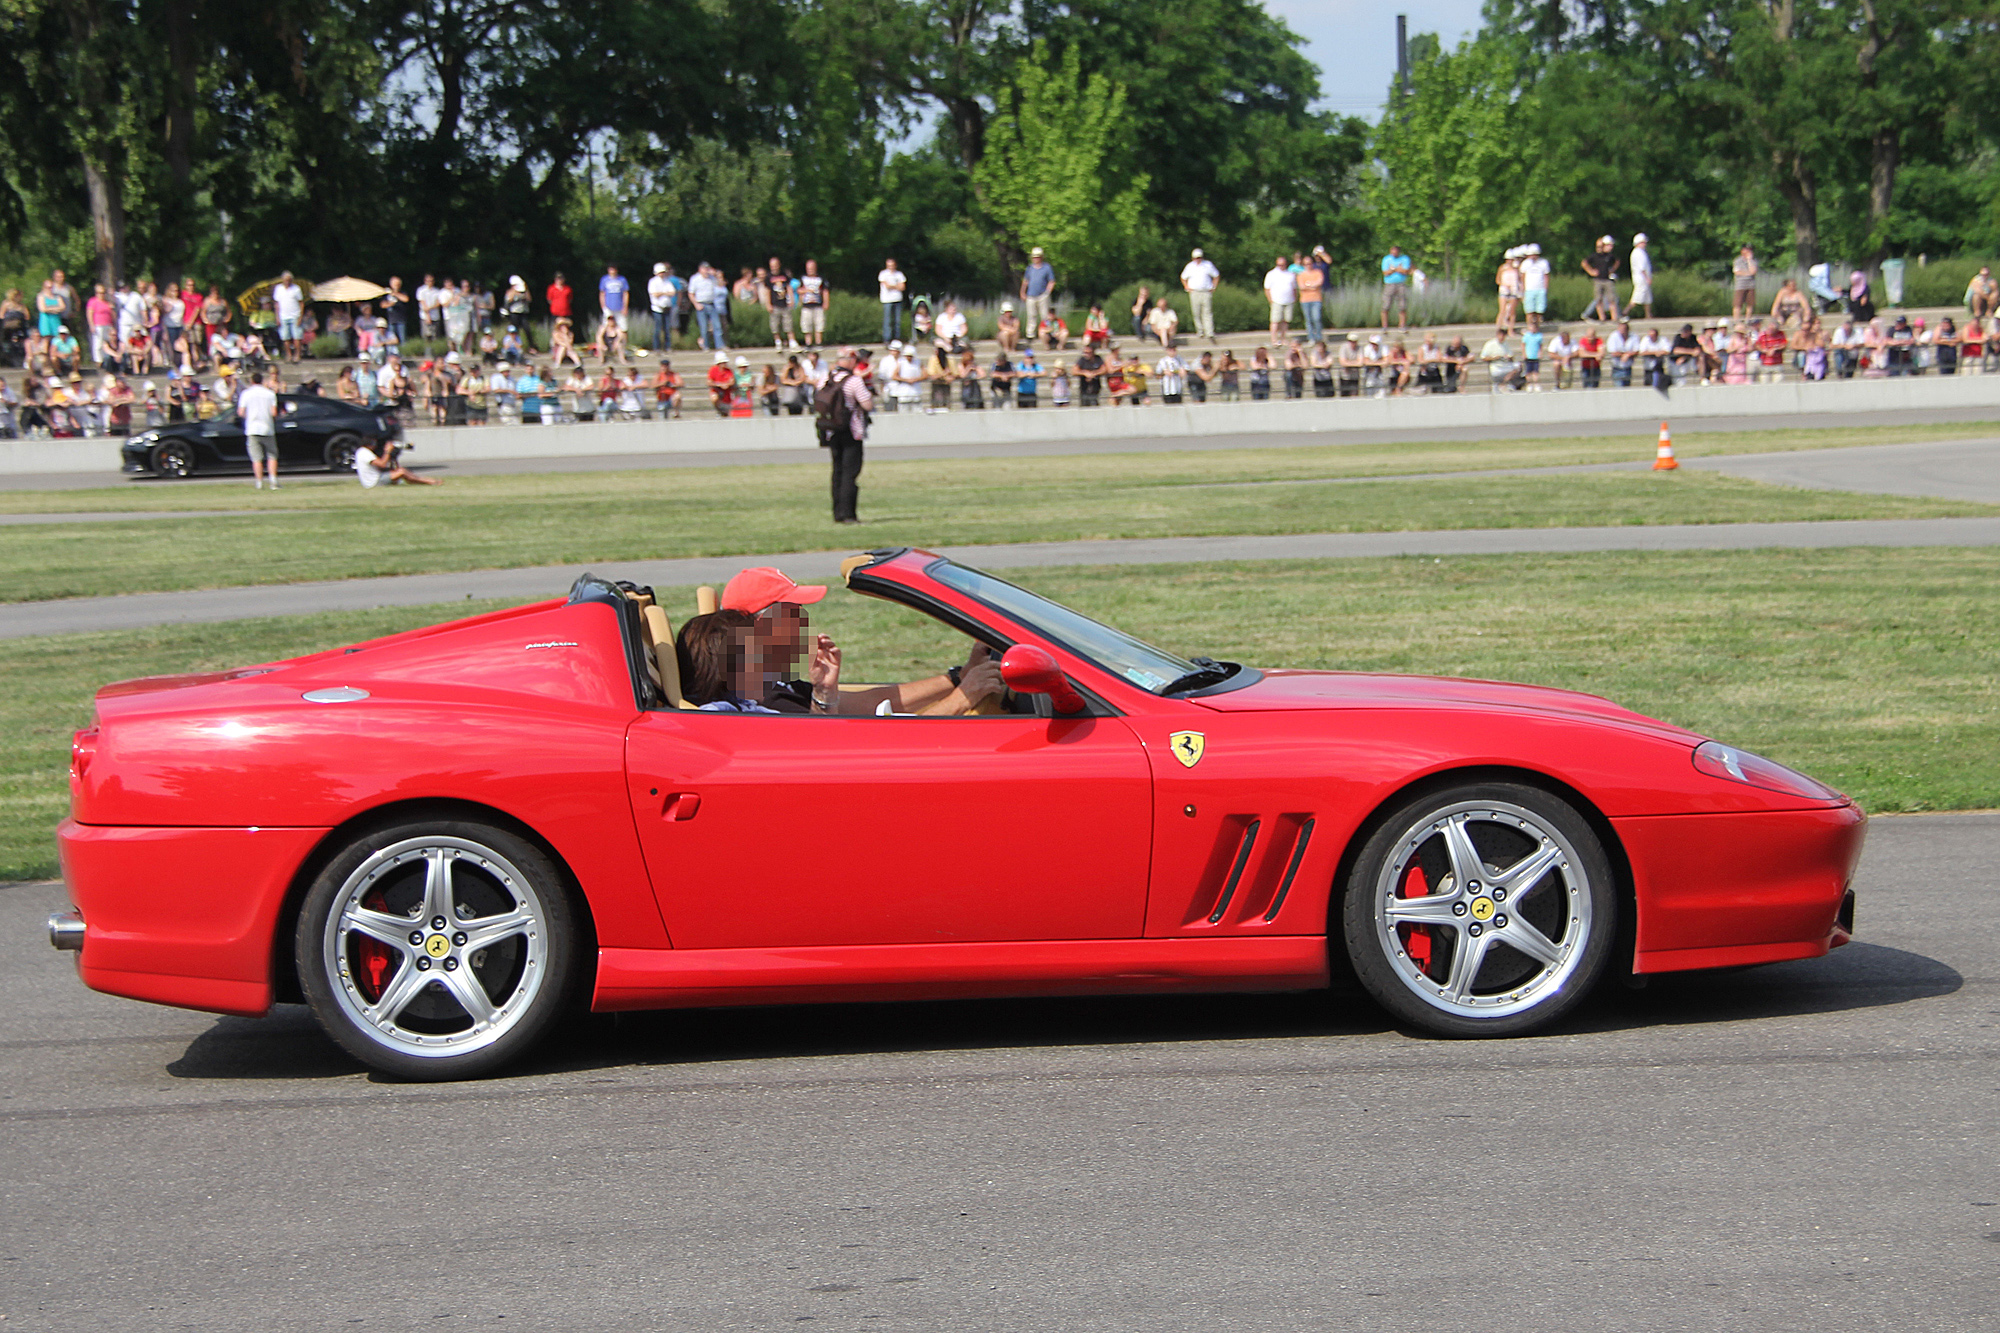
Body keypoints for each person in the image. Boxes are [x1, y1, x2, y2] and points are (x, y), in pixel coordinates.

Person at [716, 566, 1001, 716]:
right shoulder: (765, 701)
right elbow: (876, 749)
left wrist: (957, 678)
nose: (803, 624)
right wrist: (962, 699)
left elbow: (869, 704)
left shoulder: (770, 681)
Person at [816, 347, 874, 523]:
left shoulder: (824, 379)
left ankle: (837, 513)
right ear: (849, 361)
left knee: (837, 471)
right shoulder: (854, 381)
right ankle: (848, 513)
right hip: (851, 431)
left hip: (830, 430)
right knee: (850, 472)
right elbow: (867, 405)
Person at [235, 367, 280, 489]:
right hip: (267, 428)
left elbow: (240, 412)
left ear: (251, 381)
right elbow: (274, 412)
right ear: (262, 380)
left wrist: (249, 417)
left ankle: (259, 482)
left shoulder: (246, 394)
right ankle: (273, 481)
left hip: (252, 428)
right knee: (272, 456)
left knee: (256, 458)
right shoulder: (270, 394)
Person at [355, 437, 437, 487]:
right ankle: (428, 481)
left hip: (372, 480)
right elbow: (382, 464)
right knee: (402, 472)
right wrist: (387, 451)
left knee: (399, 472)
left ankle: (424, 481)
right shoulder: (365, 453)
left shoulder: (361, 452)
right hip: (374, 481)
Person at [1180, 248, 1220, 341]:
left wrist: (1214, 287)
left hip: (1206, 291)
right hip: (1194, 292)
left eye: (1199, 257)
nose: (1198, 259)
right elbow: (1183, 277)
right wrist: (1186, 287)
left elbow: (1216, 275)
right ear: (1193, 258)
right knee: (1196, 312)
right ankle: (1200, 331)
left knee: (1207, 312)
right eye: (1196, 258)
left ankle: (1209, 332)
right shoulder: (1189, 266)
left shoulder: (1208, 265)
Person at [1020, 246, 1056, 337]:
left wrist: (1047, 293)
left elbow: (1051, 281)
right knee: (1031, 315)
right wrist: (1022, 292)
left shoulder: (1047, 268)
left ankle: (1047, 333)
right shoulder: (1029, 268)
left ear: (1042, 257)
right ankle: (1030, 335)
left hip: (1042, 295)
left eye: (1038, 257)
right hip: (1031, 296)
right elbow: (1025, 281)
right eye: (1034, 257)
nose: (1036, 258)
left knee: (1045, 315)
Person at [1581, 237, 1619, 322]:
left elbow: (1617, 261)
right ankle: (1602, 318)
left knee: (1611, 299)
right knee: (1598, 300)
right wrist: (1590, 271)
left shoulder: (1609, 256)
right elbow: (1584, 263)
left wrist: (1612, 269)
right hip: (1598, 280)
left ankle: (1614, 318)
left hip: (1608, 280)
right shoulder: (1594, 256)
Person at [761, 257, 795, 351]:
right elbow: (767, 291)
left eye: (775, 265)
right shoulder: (768, 277)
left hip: (784, 303)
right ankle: (778, 342)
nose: (774, 268)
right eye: (772, 266)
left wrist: (791, 299)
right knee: (775, 324)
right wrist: (768, 304)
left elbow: (789, 287)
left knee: (788, 323)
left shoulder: (784, 275)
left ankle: (792, 341)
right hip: (774, 304)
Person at [273, 271, 305, 363]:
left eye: (289, 280)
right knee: (285, 337)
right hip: (283, 316)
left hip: (295, 315)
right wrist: (277, 317)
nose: (287, 281)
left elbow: (301, 303)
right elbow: (277, 304)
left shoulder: (296, 289)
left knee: (297, 337)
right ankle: (289, 355)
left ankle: (297, 355)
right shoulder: (278, 289)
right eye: (285, 280)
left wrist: (300, 317)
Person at [1263, 258, 1296, 344]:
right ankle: (1274, 339)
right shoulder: (1271, 274)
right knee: (1275, 321)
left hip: (1289, 301)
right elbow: (1267, 289)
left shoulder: (1290, 274)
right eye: (1279, 265)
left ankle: (1283, 338)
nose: (1281, 266)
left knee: (1286, 321)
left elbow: (1294, 288)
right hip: (1277, 301)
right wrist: (1271, 300)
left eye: (1283, 264)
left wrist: (1294, 298)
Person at [796, 259, 828, 348]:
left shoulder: (820, 279)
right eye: (808, 268)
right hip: (807, 305)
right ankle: (808, 343)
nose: (810, 270)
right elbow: (798, 290)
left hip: (818, 305)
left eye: (812, 268)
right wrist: (806, 290)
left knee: (819, 324)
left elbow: (825, 291)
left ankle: (818, 343)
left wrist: (826, 303)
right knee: (806, 324)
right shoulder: (803, 279)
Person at [1380, 244, 1412, 330]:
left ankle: (1402, 325)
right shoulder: (1386, 259)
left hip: (1401, 284)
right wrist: (1398, 269)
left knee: (1402, 305)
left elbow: (1405, 270)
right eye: (1392, 250)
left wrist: (1393, 269)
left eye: (1396, 250)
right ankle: (1384, 326)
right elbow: (1385, 272)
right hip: (1389, 284)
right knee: (1386, 305)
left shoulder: (1405, 258)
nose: (1394, 252)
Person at [647, 263, 677, 353]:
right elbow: (655, 294)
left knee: (667, 329)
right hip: (657, 308)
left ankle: (668, 347)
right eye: (660, 272)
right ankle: (657, 348)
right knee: (657, 329)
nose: (662, 274)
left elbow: (673, 292)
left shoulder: (667, 281)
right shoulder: (652, 282)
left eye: (663, 272)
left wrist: (662, 293)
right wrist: (665, 293)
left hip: (667, 307)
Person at [1519, 243, 1550, 328]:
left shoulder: (1543, 263)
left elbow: (1546, 276)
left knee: (1539, 311)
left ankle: (1537, 327)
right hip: (1529, 290)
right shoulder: (1525, 264)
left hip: (1540, 289)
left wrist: (1545, 289)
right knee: (1529, 311)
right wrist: (1523, 290)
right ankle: (1530, 327)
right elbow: (1522, 277)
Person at [877, 258, 906, 345]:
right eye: (889, 265)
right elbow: (887, 286)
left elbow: (903, 287)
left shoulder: (899, 274)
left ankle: (897, 338)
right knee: (887, 320)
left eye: (892, 265)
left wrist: (893, 286)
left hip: (897, 299)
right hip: (887, 300)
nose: (890, 267)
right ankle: (887, 339)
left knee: (897, 321)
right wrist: (897, 286)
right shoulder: (883, 274)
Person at [1626, 233, 1654, 321]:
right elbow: (1642, 268)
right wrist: (1647, 278)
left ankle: (1648, 314)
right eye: (1643, 242)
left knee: (1647, 298)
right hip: (1641, 279)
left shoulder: (1641, 252)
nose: (1645, 244)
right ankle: (1625, 312)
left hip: (1643, 278)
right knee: (1637, 297)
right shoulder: (1638, 253)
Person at [1732, 244, 1758, 320]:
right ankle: (1736, 319)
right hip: (1740, 285)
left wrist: (1749, 260)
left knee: (1750, 304)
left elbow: (1753, 271)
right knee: (1737, 304)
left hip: (1751, 285)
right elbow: (1737, 272)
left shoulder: (1753, 260)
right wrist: (1748, 273)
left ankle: (1748, 319)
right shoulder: (1737, 261)